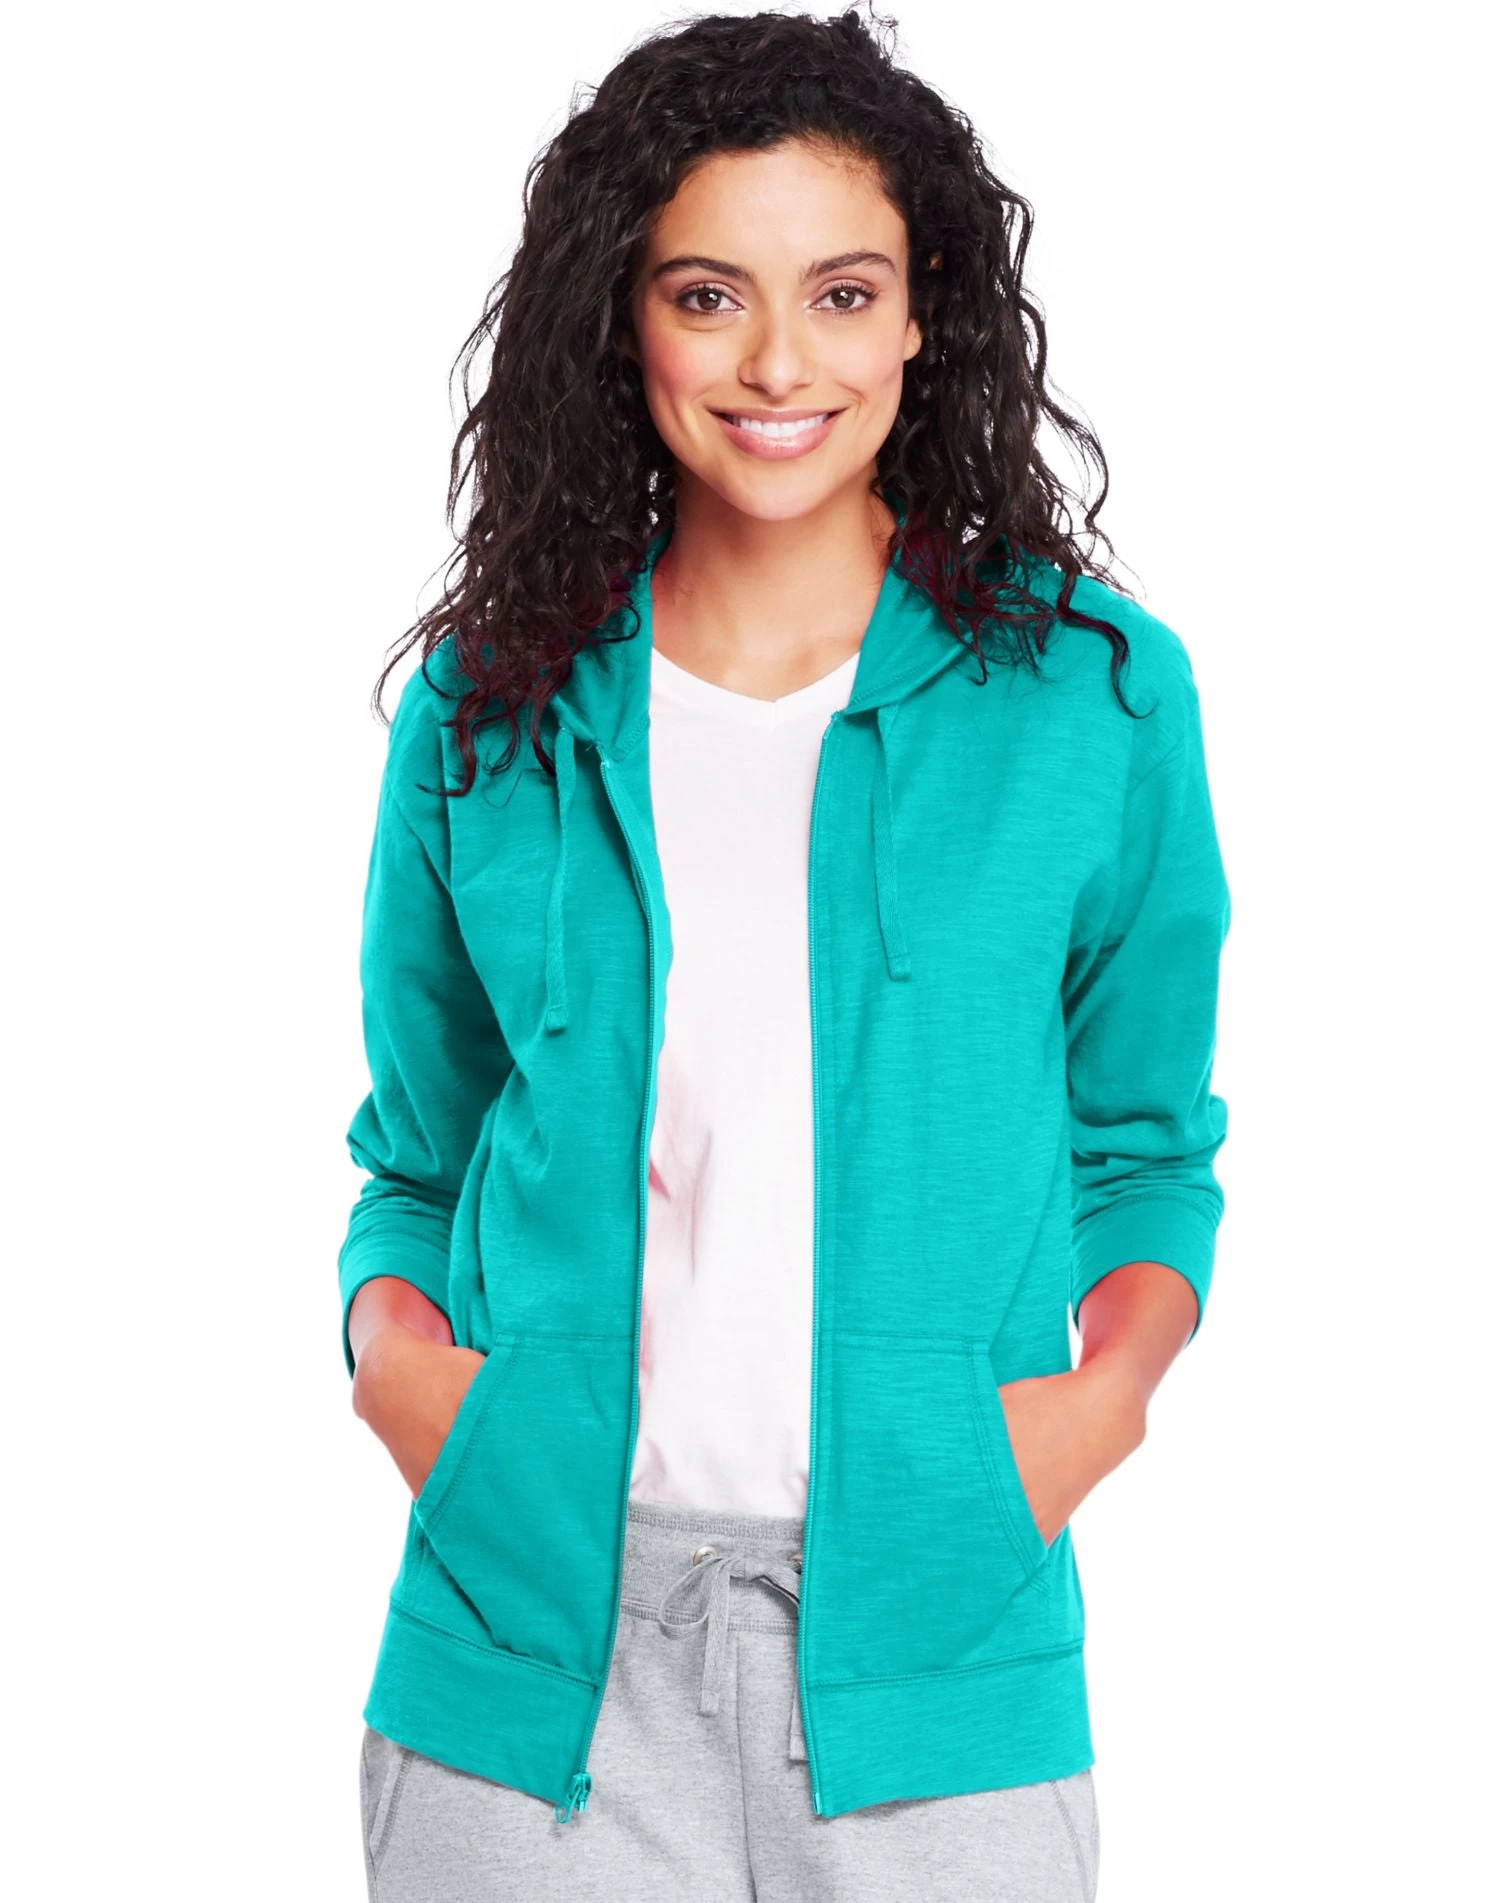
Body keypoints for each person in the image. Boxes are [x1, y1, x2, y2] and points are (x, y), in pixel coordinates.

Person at [339, 8, 1229, 1899]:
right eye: (706, 295)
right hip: (527, 1679)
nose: (776, 364)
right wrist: (405, 1376)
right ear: (624, 321)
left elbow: (1146, 1142)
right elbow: (419, 1151)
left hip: (942, 1666)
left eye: (841, 293)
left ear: (923, 317)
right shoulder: (491, 712)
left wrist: (1092, 1417)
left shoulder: (1094, 701)